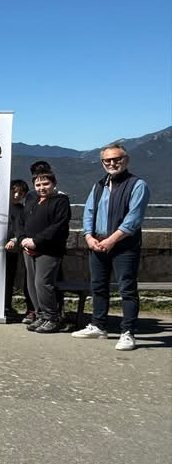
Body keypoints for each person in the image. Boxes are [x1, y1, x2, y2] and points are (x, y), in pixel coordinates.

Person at [73, 142, 151, 351]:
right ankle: (98, 326)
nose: (112, 163)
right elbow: (89, 211)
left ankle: (128, 333)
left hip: (124, 245)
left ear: (126, 160)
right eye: (107, 160)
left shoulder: (137, 185)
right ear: (102, 162)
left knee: (127, 289)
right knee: (98, 286)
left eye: (117, 159)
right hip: (97, 243)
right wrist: (88, 236)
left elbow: (134, 219)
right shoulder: (98, 185)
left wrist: (112, 240)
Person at [19, 168, 71, 334]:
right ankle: (40, 315)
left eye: (46, 184)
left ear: (54, 184)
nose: (42, 187)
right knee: (32, 284)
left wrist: (36, 241)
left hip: (49, 250)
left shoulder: (61, 201)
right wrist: (22, 239)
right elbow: (22, 221)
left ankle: (52, 318)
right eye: (38, 184)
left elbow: (58, 226)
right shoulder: (32, 199)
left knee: (43, 283)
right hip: (28, 248)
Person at [4, 179, 33, 321]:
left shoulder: (23, 210)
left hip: (12, 251)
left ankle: (6, 306)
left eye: (20, 193)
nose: (16, 195)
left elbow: (22, 229)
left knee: (9, 279)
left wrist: (14, 240)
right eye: (14, 191)